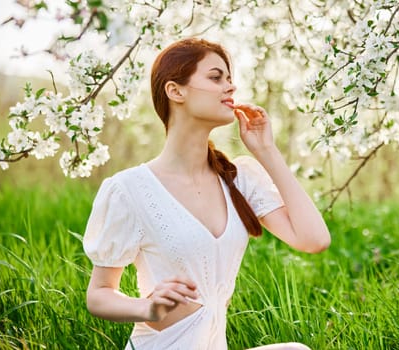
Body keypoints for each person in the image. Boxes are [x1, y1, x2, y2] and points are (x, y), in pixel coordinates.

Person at [83, 37, 331, 350]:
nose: (230, 87)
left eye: (230, 79)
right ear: (175, 91)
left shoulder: (239, 178)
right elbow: (99, 294)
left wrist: (267, 151)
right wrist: (146, 308)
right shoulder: (128, 189)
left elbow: (314, 240)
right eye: (216, 78)